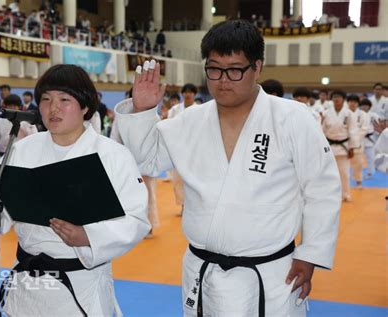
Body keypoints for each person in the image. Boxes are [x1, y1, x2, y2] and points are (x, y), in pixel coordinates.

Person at [114, 20, 341, 317]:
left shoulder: (292, 118)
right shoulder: (189, 121)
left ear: (257, 68)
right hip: (202, 269)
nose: (223, 80)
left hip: (269, 272)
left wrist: (310, 254)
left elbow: (322, 189)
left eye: (235, 69)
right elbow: (148, 161)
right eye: (214, 69)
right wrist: (143, 111)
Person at [0, 64, 150, 316]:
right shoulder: (20, 149)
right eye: (46, 99)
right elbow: (0, 217)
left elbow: (136, 219)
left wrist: (88, 236)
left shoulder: (113, 155)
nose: (53, 108)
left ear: (85, 106)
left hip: (81, 289)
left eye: (64, 99)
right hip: (28, 288)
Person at [168, 83, 199, 216]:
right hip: (178, 148)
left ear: (194, 94)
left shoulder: (200, 109)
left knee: (193, 180)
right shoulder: (175, 109)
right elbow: (169, 126)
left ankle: (194, 206)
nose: (188, 94)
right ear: (182, 94)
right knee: (178, 179)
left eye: (190, 92)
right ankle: (183, 206)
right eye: (185, 92)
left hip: (195, 149)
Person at [322, 89, 357, 202]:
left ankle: (345, 194)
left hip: (344, 147)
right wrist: (321, 147)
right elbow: (321, 131)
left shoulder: (349, 114)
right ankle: (328, 195)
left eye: (339, 97)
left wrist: (352, 147)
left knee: (344, 173)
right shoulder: (326, 113)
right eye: (334, 97)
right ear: (331, 99)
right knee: (328, 173)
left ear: (343, 99)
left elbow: (353, 131)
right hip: (329, 146)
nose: (336, 99)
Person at [346, 94, 369, 188]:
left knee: (358, 163)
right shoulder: (345, 113)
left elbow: (364, 129)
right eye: (351, 101)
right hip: (344, 143)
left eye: (355, 102)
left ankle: (358, 181)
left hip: (358, 143)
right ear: (348, 103)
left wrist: (355, 139)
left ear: (358, 103)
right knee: (344, 165)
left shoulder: (364, 115)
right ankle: (345, 183)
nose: (352, 104)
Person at [360, 98, 380, 178]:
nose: (364, 107)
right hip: (360, 139)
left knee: (370, 157)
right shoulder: (358, 114)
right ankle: (358, 174)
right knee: (358, 158)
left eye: (366, 105)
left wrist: (377, 136)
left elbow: (378, 126)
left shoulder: (374, 115)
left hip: (370, 138)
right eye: (363, 105)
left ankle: (370, 173)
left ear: (369, 106)